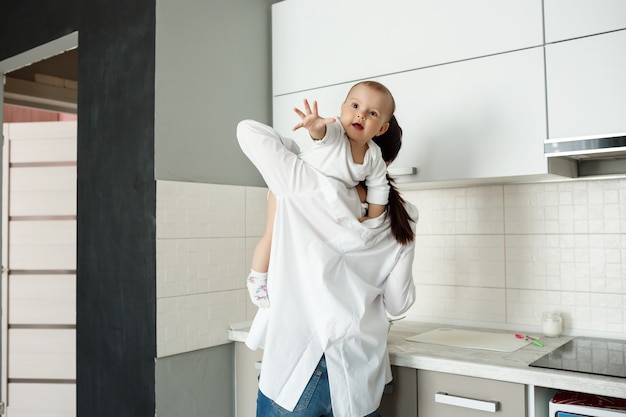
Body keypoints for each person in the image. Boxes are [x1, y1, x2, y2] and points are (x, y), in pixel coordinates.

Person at [236, 113, 418, 417]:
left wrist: (311, 143)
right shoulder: (405, 215)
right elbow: (398, 305)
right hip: (359, 376)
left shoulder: (303, 182)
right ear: (387, 161)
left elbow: (247, 130)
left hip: (298, 367)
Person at [247, 81, 396, 308]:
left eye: (372, 113)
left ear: (382, 129)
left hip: (315, 200)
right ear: (342, 108)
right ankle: (257, 279)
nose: (361, 115)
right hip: (288, 188)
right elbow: (323, 134)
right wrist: (315, 126)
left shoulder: (373, 156)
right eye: (355, 106)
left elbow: (379, 187)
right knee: (273, 235)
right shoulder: (337, 131)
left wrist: (372, 219)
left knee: (297, 242)